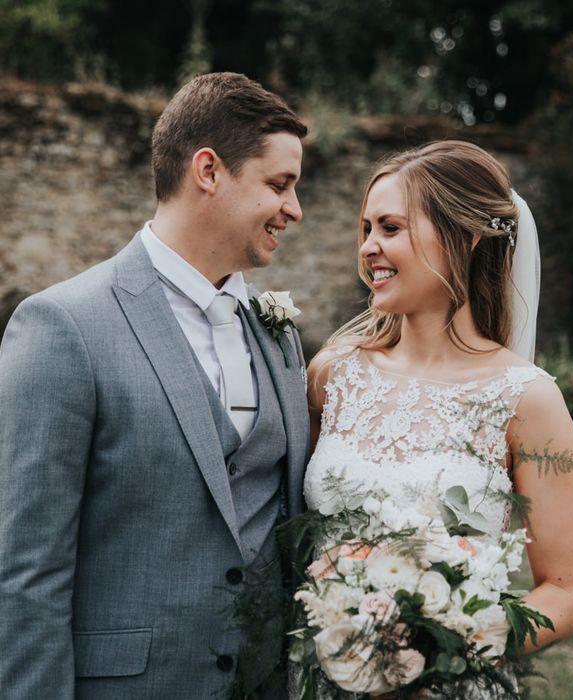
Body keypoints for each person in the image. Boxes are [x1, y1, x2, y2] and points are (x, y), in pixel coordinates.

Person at [0, 72, 310, 699]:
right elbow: (25, 572)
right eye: (279, 185)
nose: (295, 210)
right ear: (208, 171)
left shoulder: (280, 334)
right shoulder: (64, 326)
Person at [305, 141, 573, 697]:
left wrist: (443, 646)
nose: (369, 248)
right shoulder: (332, 375)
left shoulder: (526, 400)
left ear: (465, 236)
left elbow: (566, 592)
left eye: (390, 228)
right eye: (365, 229)